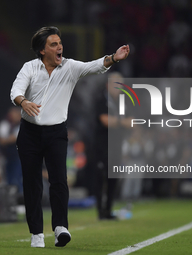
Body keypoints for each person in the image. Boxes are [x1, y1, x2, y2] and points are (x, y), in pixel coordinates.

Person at [10, 26, 129, 248]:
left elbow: (93, 66)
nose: (59, 47)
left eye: (59, 43)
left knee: (59, 180)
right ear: (42, 50)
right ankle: (36, 233)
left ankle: (60, 228)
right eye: (53, 44)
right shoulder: (29, 68)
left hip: (56, 132)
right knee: (32, 183)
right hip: (29, 133)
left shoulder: (70, 67)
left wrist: (113, 58)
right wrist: (23, 101)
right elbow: (15, 89)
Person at [94, 72, 133, 220]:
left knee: (113, 177)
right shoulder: (101, 100)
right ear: (107, 85)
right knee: (101, 176)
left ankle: (108, 209)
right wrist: (121, 121)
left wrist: (116, 121)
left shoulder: (124, 101)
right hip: (102, 145)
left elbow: (132, 122)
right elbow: (105, 121)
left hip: (117, 145)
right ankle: (100, 210)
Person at [0, 107, 23, 197]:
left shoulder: (22, 124)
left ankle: (20, 199)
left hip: (19, 156)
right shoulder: (5, 124)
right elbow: (1, 140)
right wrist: (10, 139)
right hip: (7, 156)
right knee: (8, 179)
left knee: (17, 178)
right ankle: (10, 200)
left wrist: (8, 139)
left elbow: (17, 138)